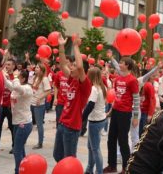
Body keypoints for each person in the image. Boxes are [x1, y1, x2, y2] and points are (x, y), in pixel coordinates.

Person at [53, 34, 91, 162]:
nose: (72, 67)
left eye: (73, 65)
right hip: (62, 123)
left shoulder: (85, 85)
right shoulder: (72, 79)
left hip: (72, 128)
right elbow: (63, 65)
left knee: (69, 159)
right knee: (57, 156)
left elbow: (80, 67)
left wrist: (75, 46)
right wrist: (62, 46)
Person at [103, 57, 140, 173]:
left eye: (121, 63)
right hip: (115, 111)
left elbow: (136, 99)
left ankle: (126, 167)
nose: (119, 65)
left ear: (127, 65)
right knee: (111, 139)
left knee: (123, 140)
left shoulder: (132, 80)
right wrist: (110, 111)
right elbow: (115, 96)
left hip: (125, 113)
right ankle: (112, 165)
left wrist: (135, 117)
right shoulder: (118, 79)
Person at [3, 69, 33, 174]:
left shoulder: (27, 88)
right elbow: (8, 85)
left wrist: (14, 76)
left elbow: (15, 86)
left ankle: (18, 171)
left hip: (24, 123)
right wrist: (1, 72)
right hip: (16, 122)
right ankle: (25, 169)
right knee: (20, 149)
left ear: (23, 78)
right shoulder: (17, 87)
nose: (16, 78)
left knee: (17, 150)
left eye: (18, 76)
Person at [85, 67, 108, 174]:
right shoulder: (102, 87)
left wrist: (81, 118)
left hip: (95, 121)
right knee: (91, 147)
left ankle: (99, 172)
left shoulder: (94, 89)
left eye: (88, 74)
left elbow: (90, 105)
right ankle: (89, 169)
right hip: (100, 119)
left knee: (95, 149)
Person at [0, 58, 16, 155]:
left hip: (10, 106)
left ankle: (15, 146)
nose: (7, 66)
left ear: (13, 66)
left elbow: (15, 90)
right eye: (6, 64)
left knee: (12, 127)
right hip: (1, 105)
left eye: (9, 64)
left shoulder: (16, 76)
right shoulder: (1, 75)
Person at [30, 63, 51, 149]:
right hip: (32, 103)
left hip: (39, 105)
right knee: (30, 123)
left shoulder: (44, 79)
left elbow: (48, 91)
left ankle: (40, 142)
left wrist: (40, 98)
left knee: (39, 124)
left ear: (42, 70)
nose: (36, 68)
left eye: (38, 67)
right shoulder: (35, 77)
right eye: (36, 67)